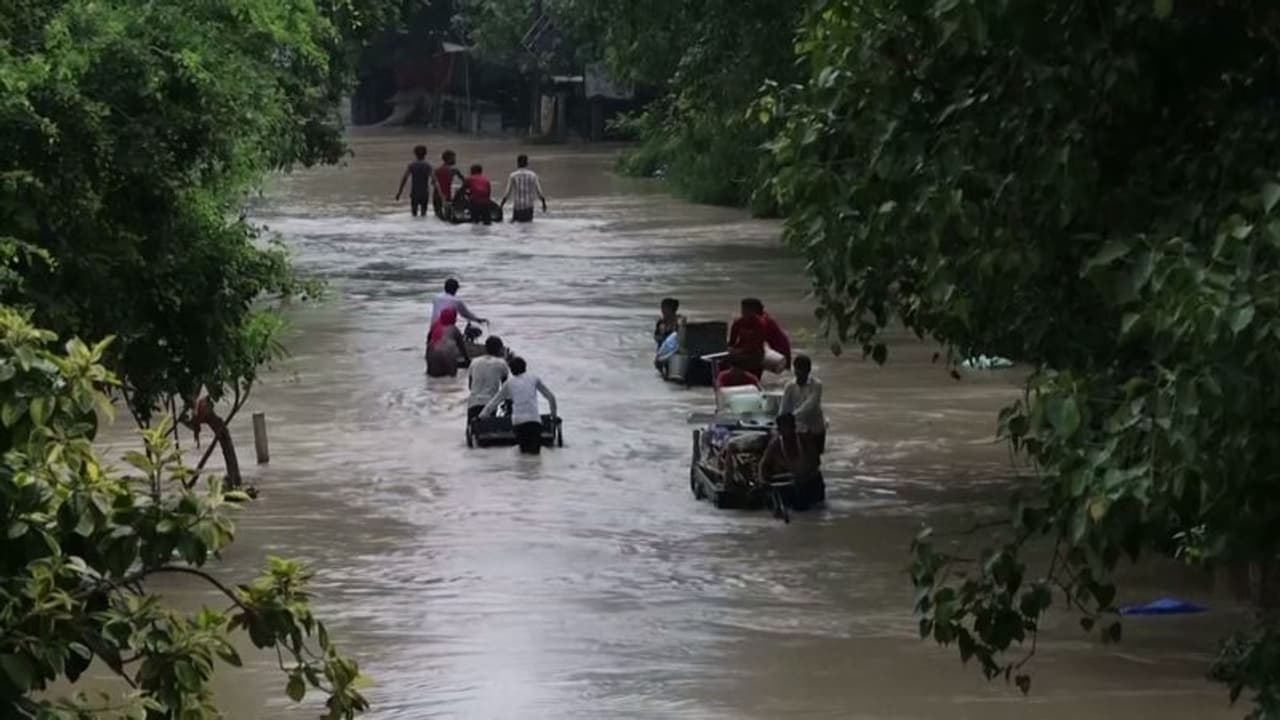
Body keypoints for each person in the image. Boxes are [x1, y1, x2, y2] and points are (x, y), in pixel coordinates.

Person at [480, 356, 558, 455]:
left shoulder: (509, 384)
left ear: (511, 371)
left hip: (519, 423)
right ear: (525, 367)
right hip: (534, 422)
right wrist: (554, 415)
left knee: (524, 453)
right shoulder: (534, 378)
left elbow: (494, 402)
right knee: (535, 456)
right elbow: (551, 397)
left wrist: (481, 416)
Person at [779, 354, 825, 467]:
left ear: (808, 370)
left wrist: (791, 417)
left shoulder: (817, 385)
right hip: (798, 429)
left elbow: (810, 405)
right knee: (798, 458)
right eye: (796, 369)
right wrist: (781, 421)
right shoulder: (789, 386)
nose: (798, 372)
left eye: (801, 369)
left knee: (815, 459)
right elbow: (784, 407)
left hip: (815, 427)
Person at [467, 336, 510, 422]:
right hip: (490, 404)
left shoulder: (474, 361)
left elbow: (470, 386)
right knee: (488, 430)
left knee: (473, 429)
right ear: (500, 349)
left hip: (473, 403)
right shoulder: (502, 363)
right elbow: (505, 389)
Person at [743, 298, 792, 372]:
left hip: (780, 349)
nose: (743, 313)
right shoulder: (762, 316)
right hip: (781, 345)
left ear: (752, 310)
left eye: (744, 310)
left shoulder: (763, 321)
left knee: (782, 370)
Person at [758, 413, 809, 482]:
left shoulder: (804, 440)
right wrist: (764, 479)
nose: (787, 431)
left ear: (794, 427)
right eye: (783, 428)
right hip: (783, 481)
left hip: (804, 480)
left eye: (789, 427)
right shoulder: (775, 444)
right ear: (779, 430)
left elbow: (814, 463)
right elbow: (763, 465)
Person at [499, 154, 547, 223]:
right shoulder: (533, 175)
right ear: (527, 163)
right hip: (529, 207)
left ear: (517, 163)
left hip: (518, 207)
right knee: (528, 225)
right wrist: (543, 203)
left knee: (516, 225)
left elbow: (507, 193)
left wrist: (501, 205)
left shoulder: (513, 175)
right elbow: (539, 191)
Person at [728, 298, 769, 376]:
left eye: (747, 310)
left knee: (750, 358)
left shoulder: (760, 324)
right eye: (743, 310)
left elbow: (757, 344)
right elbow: (732, 342)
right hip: (740, 351)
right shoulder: (738, 323)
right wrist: (730, 349)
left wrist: (740, 351)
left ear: (753, 311)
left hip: (755, 353)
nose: (744, 312)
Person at [425, 307, 469, 377]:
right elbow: (462, 348)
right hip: (448, 351)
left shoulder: (435, 326)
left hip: (431, 350)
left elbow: (428, 340)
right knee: (452, 378)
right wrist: (467, 361)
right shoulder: (454, 329)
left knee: (432, 376)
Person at [395, 145, 434, 218]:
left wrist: (399, 193)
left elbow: (404, 179)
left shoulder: (411, 165)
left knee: (414, 214)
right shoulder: (428, 166)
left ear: (415, 154)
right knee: (424, 215)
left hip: (415, 193)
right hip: (424, 193)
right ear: (425, 154)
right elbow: (434, 180)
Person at [433, 150, 465, 220]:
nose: (455, 160)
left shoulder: (436, 170)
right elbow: (466, 182)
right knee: (448, 219)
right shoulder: (454, 170)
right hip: (447, 197)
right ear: (449, 159)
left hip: (436, 197)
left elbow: (433, 184)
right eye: (454, 158)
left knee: (438, 218)